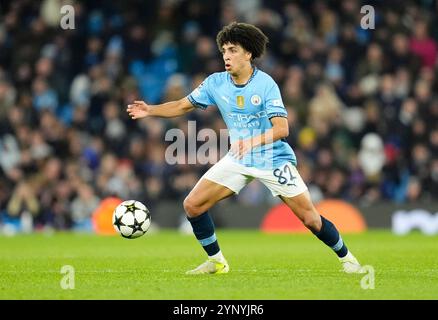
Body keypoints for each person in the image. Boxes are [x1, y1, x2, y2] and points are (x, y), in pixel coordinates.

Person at [127, 22, 364, 274]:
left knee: (310, 219)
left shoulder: (265, 85)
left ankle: (348, 259)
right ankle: (217, 262)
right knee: (193, 205)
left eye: (232, 50)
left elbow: (282, 129)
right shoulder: (216, 83)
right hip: (239, 158)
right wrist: (150, 110)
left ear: (248, 53)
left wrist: (251, 141)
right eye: (224, 51)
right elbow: (182, 105)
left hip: (273, 159)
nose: (226, 56)